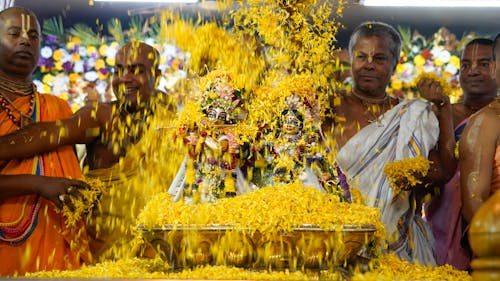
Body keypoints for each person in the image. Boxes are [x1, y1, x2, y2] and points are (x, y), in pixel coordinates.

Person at [0, 41, 172, 261]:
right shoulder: (101, 116)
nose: (124, 79)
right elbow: (47, 134)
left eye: (136, 70)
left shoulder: (169, 115)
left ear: (157, 75)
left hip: (158, 248)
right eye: (118, 71)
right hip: (107, 256)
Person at [322, 21, 456, 266]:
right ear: (350, 60)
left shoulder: (411, 115)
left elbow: (442, 172)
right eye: (361, 56)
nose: (369, 64)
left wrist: (443, 107)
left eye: (380, 58)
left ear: (395, 63)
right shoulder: (328, 107)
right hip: (335, 242)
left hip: (397, 249)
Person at [0, 6, 92, 275]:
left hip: (57, 244)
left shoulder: (58, 107)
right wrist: (38, 184)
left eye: (33, 36)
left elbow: (69, 170)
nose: (25, 40)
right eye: (14, 33)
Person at [425, 38, 497, 270]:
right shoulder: (442, 112)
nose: (473, 71)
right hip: (448, 218)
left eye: (483, 63)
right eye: (466, 65)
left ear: (495, 67)